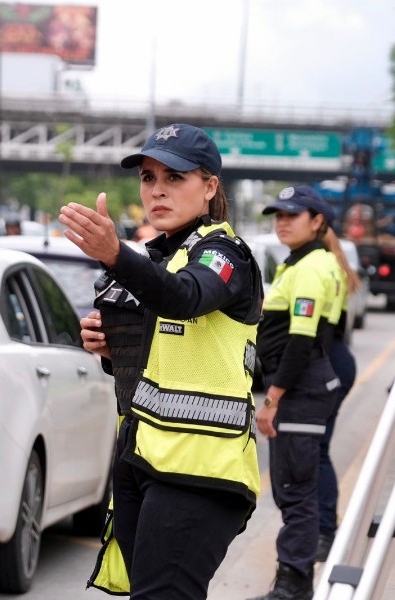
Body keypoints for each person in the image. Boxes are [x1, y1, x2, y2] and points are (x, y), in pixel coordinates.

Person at [59, 123, 264, 599]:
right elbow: (167, 349)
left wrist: (115, 255)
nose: (157, 190)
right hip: (143, 459)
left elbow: (186, 298)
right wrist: (112, 349)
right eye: (149, 178)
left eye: (174, 177)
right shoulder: (160, 257)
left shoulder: (223, 253)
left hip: (200, 471)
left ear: (210, 187)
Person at [250, 185, 340, 600]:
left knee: (295, 490)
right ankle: (293, 582)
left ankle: (292, 586)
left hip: (301, 390)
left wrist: (272, 399)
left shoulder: (310, 268)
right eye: (277, 214)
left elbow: (300, 341)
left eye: (292, 214)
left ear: (317, 221)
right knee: (292, 486)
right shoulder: (305, 262)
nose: (282, 221)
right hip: (305, 387)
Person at [315, 228, 360, 563]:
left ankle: (326, 530)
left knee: (317, 450)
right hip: (337, 362)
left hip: (331, 365)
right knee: (317, 449)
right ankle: (323, 528)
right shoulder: (332, 266)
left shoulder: (320, 269)